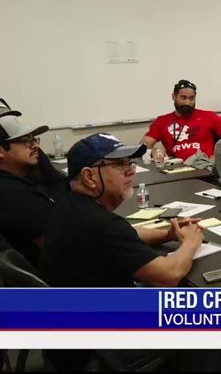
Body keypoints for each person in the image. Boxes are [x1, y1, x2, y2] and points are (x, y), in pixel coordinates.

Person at [40, 133, 204, 287]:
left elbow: (127, 232)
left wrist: (168, 235)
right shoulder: (101, 225)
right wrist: (191, 242)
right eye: (119, 164)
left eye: (129, 162)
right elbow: (169, 275)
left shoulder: (71, 205)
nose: (131, 171)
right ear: (89, 177)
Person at [0, 114, 61, 265]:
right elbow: (60, 248)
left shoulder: (19, 181)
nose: (35, 146)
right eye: (25, 141)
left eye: (34, 139)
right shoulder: (14, 197)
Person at [141, 79, 221, 161]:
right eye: (183, 98)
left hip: (206, 167)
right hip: (177, 170)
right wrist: (154, 150)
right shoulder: (162, 121)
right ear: (174, 97)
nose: (187, 102)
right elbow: (143, 145)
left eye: (191, 98)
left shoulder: (209, 116)